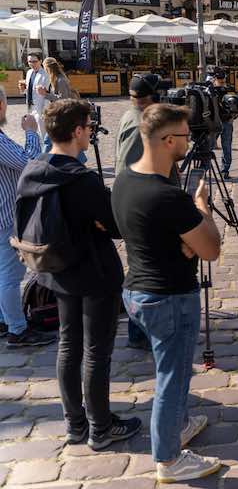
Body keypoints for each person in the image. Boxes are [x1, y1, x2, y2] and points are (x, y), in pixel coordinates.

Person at [16, 98, 141, 448]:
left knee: (68, 345)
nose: (92, 132)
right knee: (96, 352)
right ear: (76, 132)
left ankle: (75, 424)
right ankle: (101, 427)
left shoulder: (34, 168)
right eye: (88, 126)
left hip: (54, 271)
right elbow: (115, 225)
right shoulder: (80, 180)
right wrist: (101, 223)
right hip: (94, 273)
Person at [112, 104, 223, 483]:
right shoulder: (170, 197)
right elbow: (211, 248)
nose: (190, 143)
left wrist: (184, 241)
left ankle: (178, 424)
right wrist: (203, 209)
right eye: (186, 136)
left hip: (139, 291)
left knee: (170, 373)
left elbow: (151, 235)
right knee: (171, 378)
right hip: (169, 298)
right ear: (168, 140)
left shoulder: (125, 180)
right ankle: (169, 459)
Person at [115, 73, 174, 350]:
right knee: (148, 267)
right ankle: (142, 330)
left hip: (131, 198)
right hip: (144, 201)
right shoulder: (144, 123)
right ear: (152, 97)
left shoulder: (129, 115)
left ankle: (140, 329)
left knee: (140, 265)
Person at [0, 86, 52, 347]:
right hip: (5, 218)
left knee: (1, 275)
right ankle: (17, 330)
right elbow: (29, 162)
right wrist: (31, 131)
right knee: (9, 276)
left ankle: (5, 319)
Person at [19, 52, 50, 150]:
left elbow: (48, 93)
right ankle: (36, 153)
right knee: (33, 132)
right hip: (30, 107)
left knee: (43, 133)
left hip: (41, 107)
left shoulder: (45, 74)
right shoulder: (29, 72)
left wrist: (44, 111)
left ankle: (45, 156)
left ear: (40, 61)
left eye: (34, 61)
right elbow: (30, 89)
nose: (32, 64)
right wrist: (23, 89)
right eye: (29, 61)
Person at [210, 70, 236, 179]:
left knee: (226, 147)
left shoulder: (229, 90)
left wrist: (233, 117)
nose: (221, 82)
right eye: (219, 81)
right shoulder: (210, 90)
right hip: (213, 122)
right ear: (214, 80)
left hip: (226, 121)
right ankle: (204, 168)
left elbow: (237, 104)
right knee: (208, 146)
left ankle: (225, 170)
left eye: (222, 81)